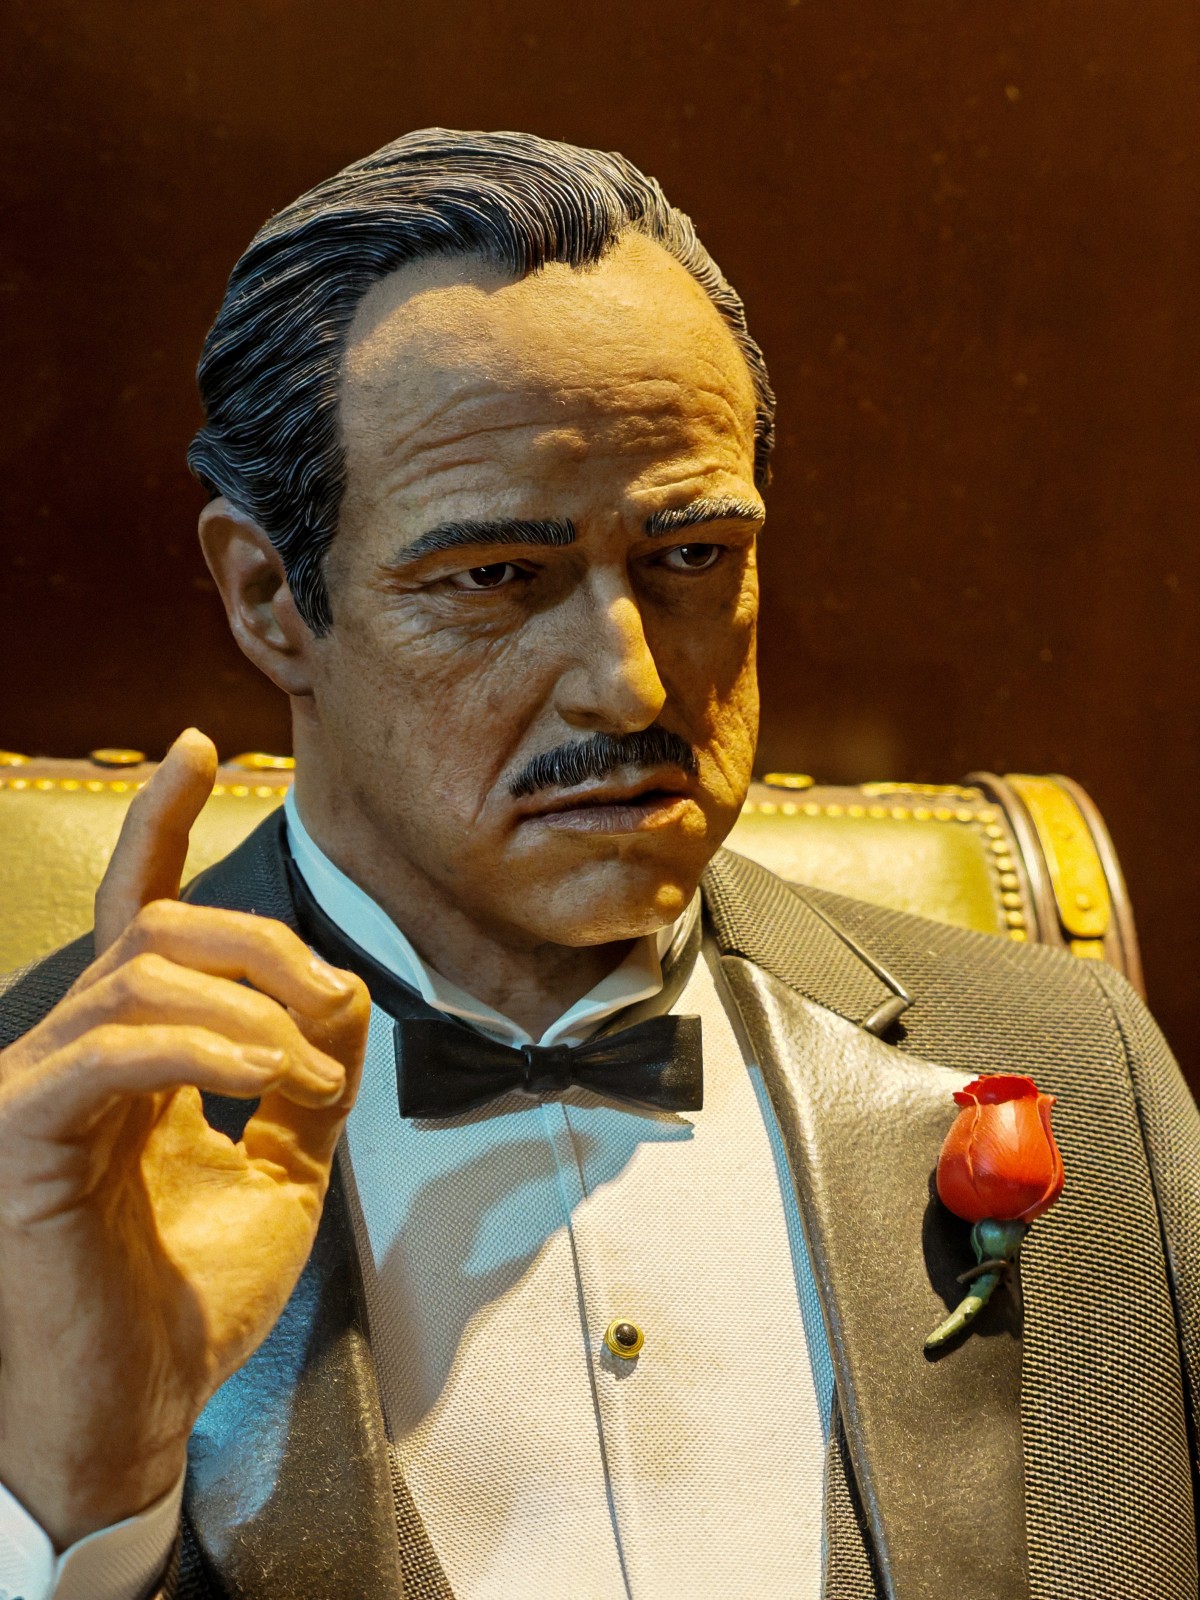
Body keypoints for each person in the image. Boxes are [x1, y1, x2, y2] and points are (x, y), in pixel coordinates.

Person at [0, 129, 1197, 1600]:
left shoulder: (1074, 1063)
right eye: (497, 577)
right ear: (268, 599)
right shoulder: (37, 1153)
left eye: (692, 557)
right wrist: (81, 1498)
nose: (628, 687)